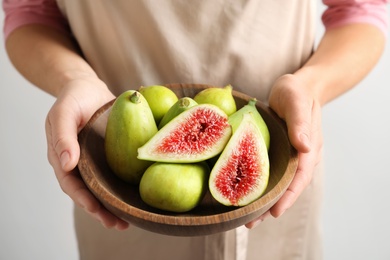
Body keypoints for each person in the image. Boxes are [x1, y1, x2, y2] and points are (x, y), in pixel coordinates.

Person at [2, 0, 388, 259]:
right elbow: (30, 11)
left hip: (278, 176)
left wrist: (310, 87)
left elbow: (361, 10)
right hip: (120, 191)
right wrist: (72, 79)